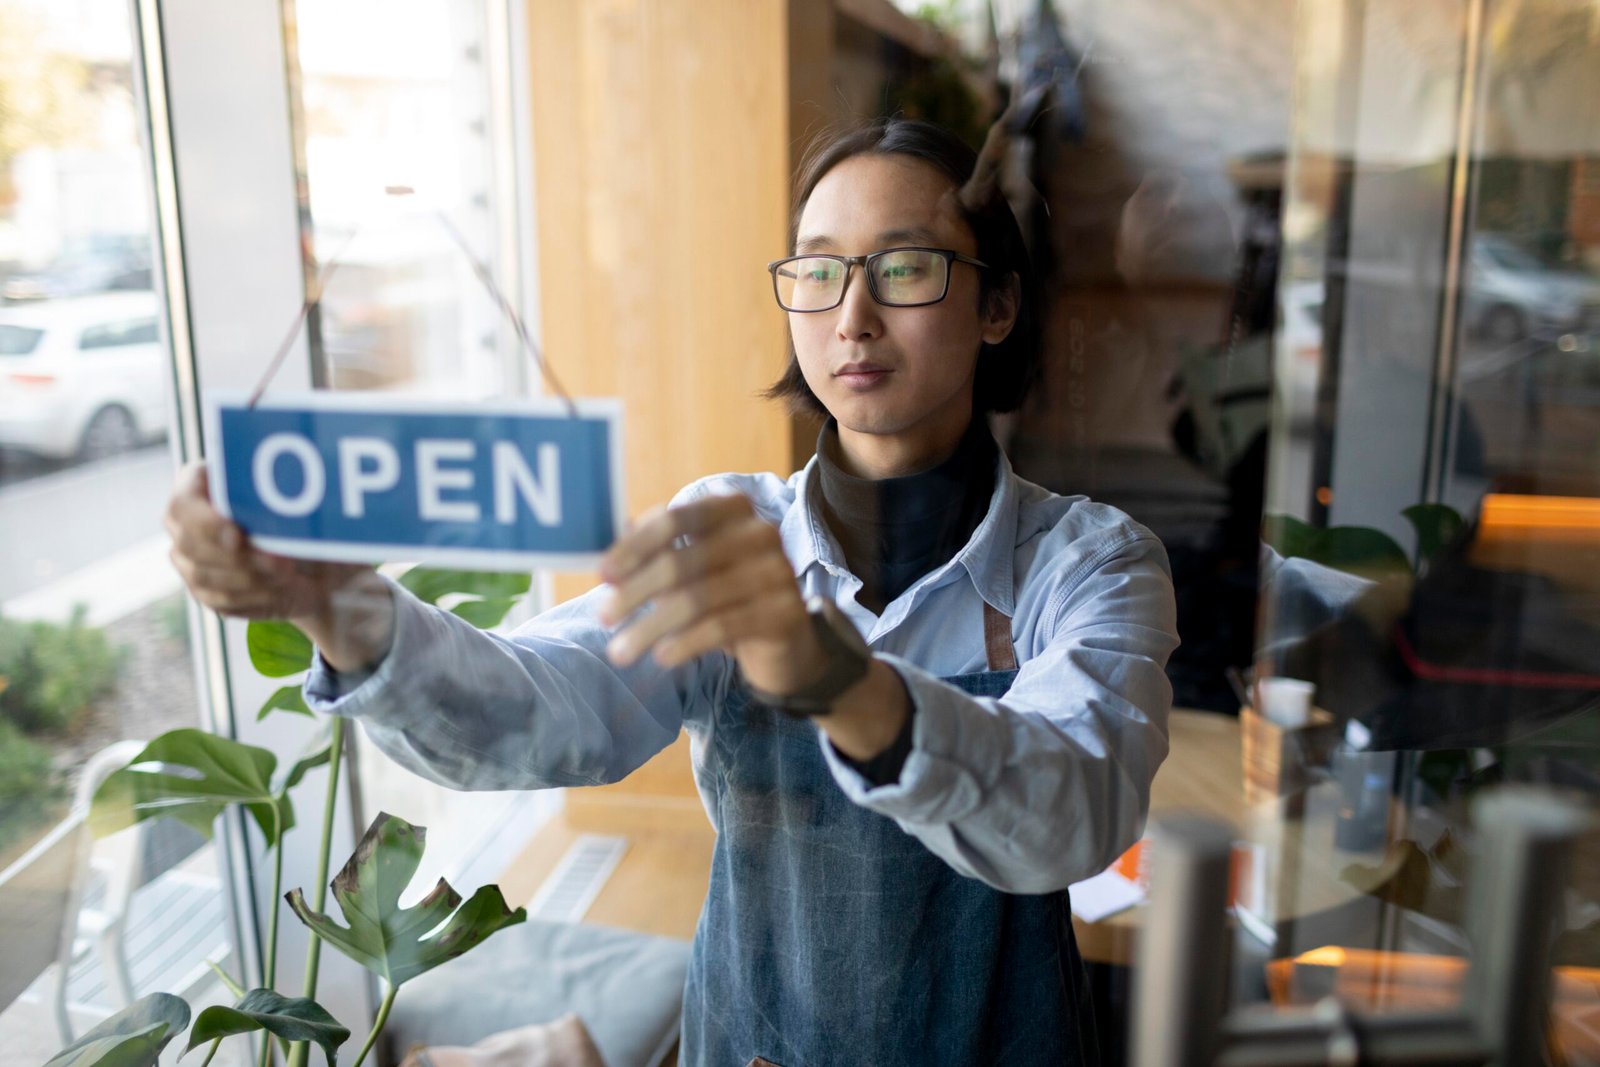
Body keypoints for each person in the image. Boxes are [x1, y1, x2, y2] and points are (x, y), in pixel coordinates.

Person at [166, 118, 1178, 1066]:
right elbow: (544, 708)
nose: (853, 316)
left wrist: (835, 676)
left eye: (903, 267)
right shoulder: (726, 531)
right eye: (818, 272)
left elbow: (1076, 809)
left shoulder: (1088, 562)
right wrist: (332, 606)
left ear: (996, 303)